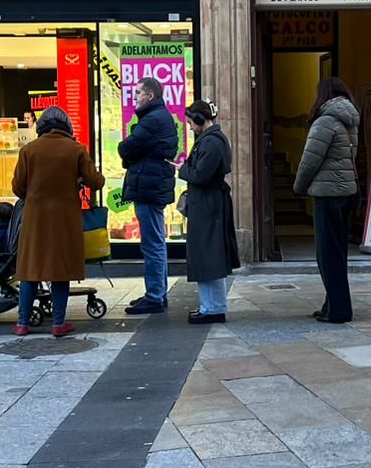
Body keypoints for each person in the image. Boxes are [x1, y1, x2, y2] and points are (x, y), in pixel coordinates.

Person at [12, 105, 105, 337]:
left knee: (31, 269)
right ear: (67, 126)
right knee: (60, 270)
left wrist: (33, 194)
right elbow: (96, 182)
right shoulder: (76, 149)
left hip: (35, 219)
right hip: (65, 220)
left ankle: (22, 323)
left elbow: (17, 187)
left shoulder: (29, 150)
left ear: (42, 125)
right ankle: (58, 323)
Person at [293, 77, 361, 324]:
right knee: (337, 252)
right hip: (347, 193)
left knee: (327, 254)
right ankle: (331, 303)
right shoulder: (350, 120)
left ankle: (339, 310)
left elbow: (310, 160)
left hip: (327, 194)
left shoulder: (325, 121)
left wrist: (299, 187)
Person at [118, 75, 179, 316]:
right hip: (151, 184)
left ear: (150, 96)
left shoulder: (152, 119)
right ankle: (156, 293)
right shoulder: (158, 117)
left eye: (138, 94)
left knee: (152, 243)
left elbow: (125, 147)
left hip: (149, 186)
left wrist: (131, 155)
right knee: (155, 242)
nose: (135, 98)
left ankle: (155, 296)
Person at [177, 99, 239, 324]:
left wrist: (182, 169)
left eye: (191, 122)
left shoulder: (211, 142)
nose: (190, 126)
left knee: (208, 256)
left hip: (208, 205)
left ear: (200, 119)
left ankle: (212, 308)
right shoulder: (211, 140)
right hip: (207, 203)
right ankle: (211, 306)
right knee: (208, 256)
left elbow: (201, 175)